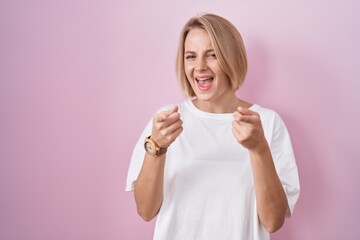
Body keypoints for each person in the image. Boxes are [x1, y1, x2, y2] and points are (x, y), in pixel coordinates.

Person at [126, 13, 300, 240]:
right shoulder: (166, 122)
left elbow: (273, 220)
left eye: (212, 55)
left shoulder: (266, 122)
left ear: (232, 59)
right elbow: (146, 211)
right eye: (191, 56)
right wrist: (157, 147)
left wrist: (259, 149)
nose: (199, 67)